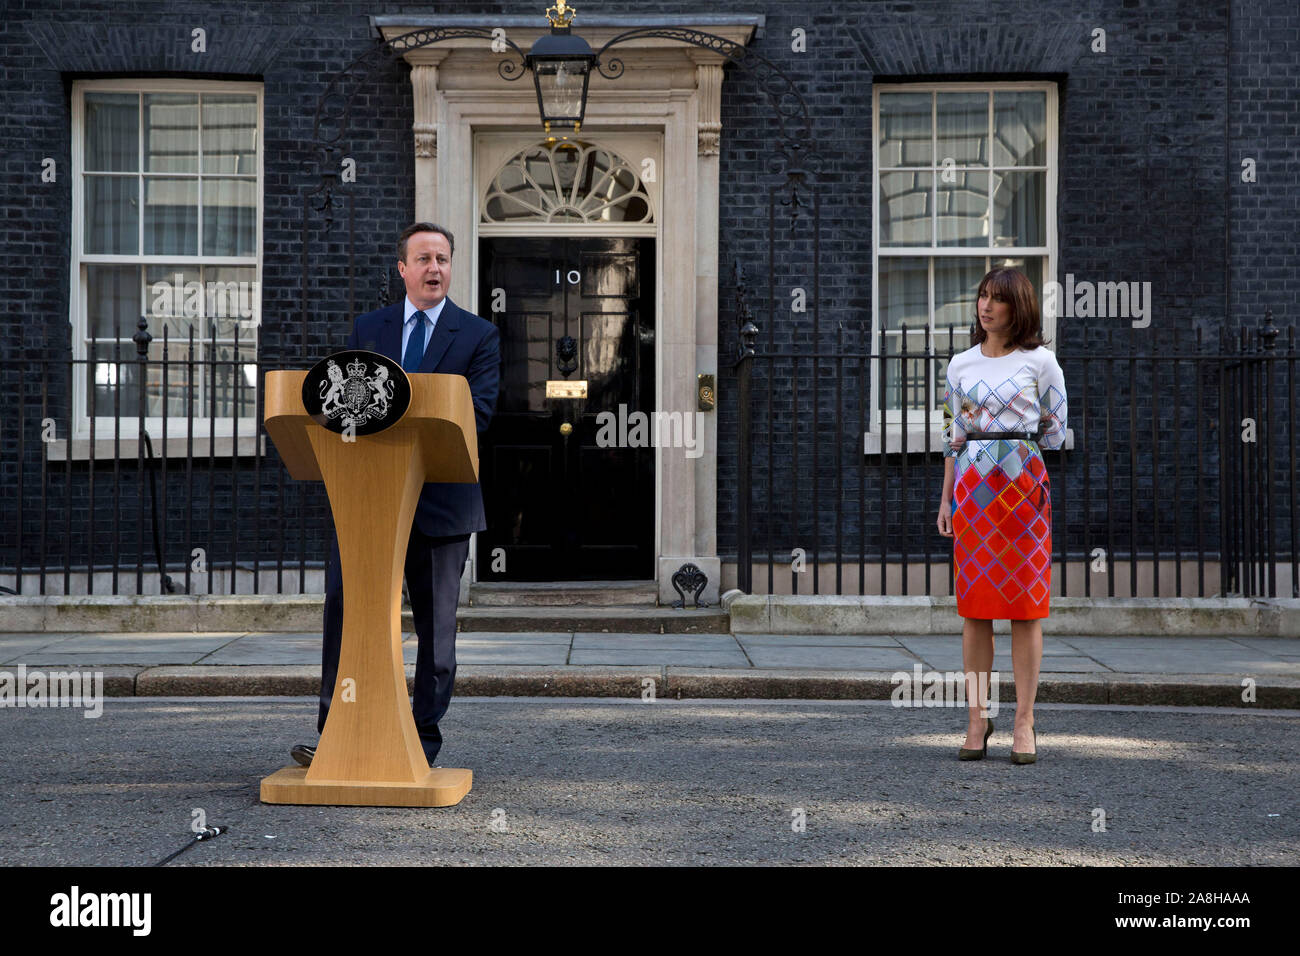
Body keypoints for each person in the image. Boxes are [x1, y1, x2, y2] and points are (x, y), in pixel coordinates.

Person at [292, 222, 500, 768]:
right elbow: (344, 408)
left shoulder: (478, 335)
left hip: (441, 504)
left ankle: (419, 740)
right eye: (424, 258)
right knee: (346, 613)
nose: (435, 268)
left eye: (444, 258)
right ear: (402, 269)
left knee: (435, 633)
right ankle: (335, 733)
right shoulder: (370, 327)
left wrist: (397, 417)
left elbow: (475, 416)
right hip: (366, 502)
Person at [936, 267, 1066, 765]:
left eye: (997, 298)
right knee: (975, 608)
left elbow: (1053, 432)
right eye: (982, 297)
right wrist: (946, 499)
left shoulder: (1042, 362)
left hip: (1025, 493)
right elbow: (952, 435)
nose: (985, 306)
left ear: (1020, 307)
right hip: (972, 494)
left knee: (1026, 609)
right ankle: (976, 718)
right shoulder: (960, 365)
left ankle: (1024, 721)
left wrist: (1018, 457)